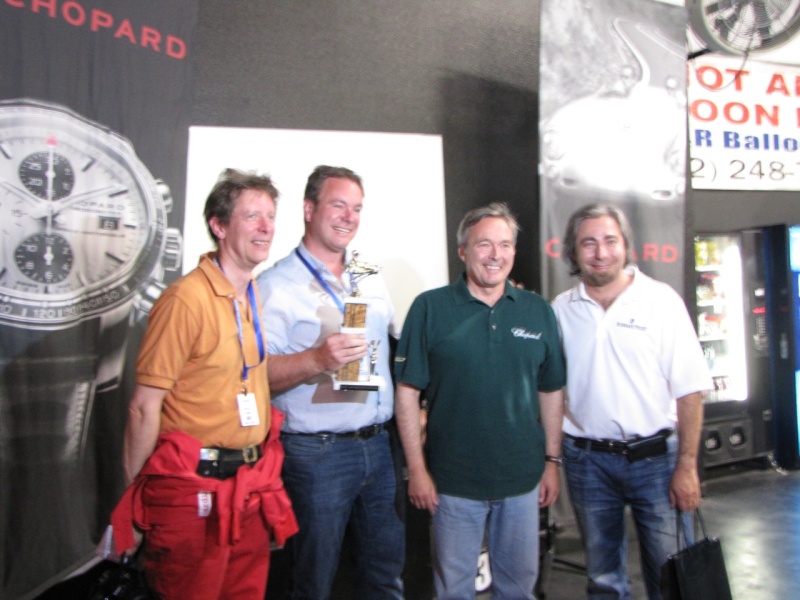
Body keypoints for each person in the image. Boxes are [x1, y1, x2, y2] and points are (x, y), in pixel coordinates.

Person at [109, 169, 298, 599]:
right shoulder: (185, 299)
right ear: (219, 225)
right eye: (252, 216)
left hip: (248, 488)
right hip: (192, 494)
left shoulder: (250, 294)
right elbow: (143, 407)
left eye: (270, 216)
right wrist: (135, 503)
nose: (266, 227)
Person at [393, 202, 566, 600]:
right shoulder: (429, 308)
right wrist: (417, 470)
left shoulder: (538, 311)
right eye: (484, 244)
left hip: (522, 481)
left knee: (518, 591)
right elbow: (407, 394)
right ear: (463, 251)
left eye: (504, 245)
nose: (495, 255)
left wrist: (551, 463)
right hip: (453, 483)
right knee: (453, 592)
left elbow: (551, 391)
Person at [257, 165, 404, 599]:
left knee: (384, 575)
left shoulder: (368, 275)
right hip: (317, 455)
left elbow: (400, 338)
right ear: (309, 209)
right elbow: (257, 375)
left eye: (356, 208)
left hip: (379, 446)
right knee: (312, 582)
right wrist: (316, 359)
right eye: (338, 205)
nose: (348, 217)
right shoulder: (275, 285)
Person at [551, 203, 712, 600]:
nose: (600, 253)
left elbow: (690, 389)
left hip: (656, 462)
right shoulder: (560, 310)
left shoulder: (661, 300)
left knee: (671, 577)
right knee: (603, 579)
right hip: (587, 462)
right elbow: (550, 390)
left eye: (610, 241)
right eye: (588, 243)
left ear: (626, 245)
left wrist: (687, 466)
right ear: (573, 251)